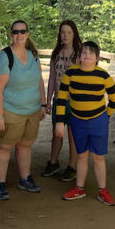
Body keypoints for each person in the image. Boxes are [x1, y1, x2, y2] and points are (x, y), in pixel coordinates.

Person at [54, 40, 115, 206]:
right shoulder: (70, 73)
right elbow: (61, 99)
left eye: (91, 53)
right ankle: (79, 188)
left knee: (98, 157)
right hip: (77, 121)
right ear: (79, 56)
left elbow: (114, 98)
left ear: (97, 58)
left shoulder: (103, 76)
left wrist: (106, 117)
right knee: (81, 155)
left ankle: (102, 191)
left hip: (98, 121)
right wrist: (60, 122)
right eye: (84, 53)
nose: (87, 56)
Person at [0, 20, 47, 201]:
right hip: (10, 109)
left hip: (32, 110)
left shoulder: (33, 55)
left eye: (23, 31)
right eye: (16, 32)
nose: (19, 35)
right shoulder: (5, 57)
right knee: (4, 146)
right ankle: (0, 184)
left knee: (25, 144)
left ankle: (25, 178)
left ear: (28, 33)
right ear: (11, 34)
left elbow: (39, 81)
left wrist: (43, 105)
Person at [41, 19, 81, 181]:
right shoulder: (56, 53)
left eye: (69, 33)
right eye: (63, 33)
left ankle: (72, 166)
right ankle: (53, 162)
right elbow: (51, 79)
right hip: (59, 100)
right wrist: (48, 100)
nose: (65, 36)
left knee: (72, 134)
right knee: (57, 133)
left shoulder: (79, 54)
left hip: (74, 101)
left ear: (74, 34)